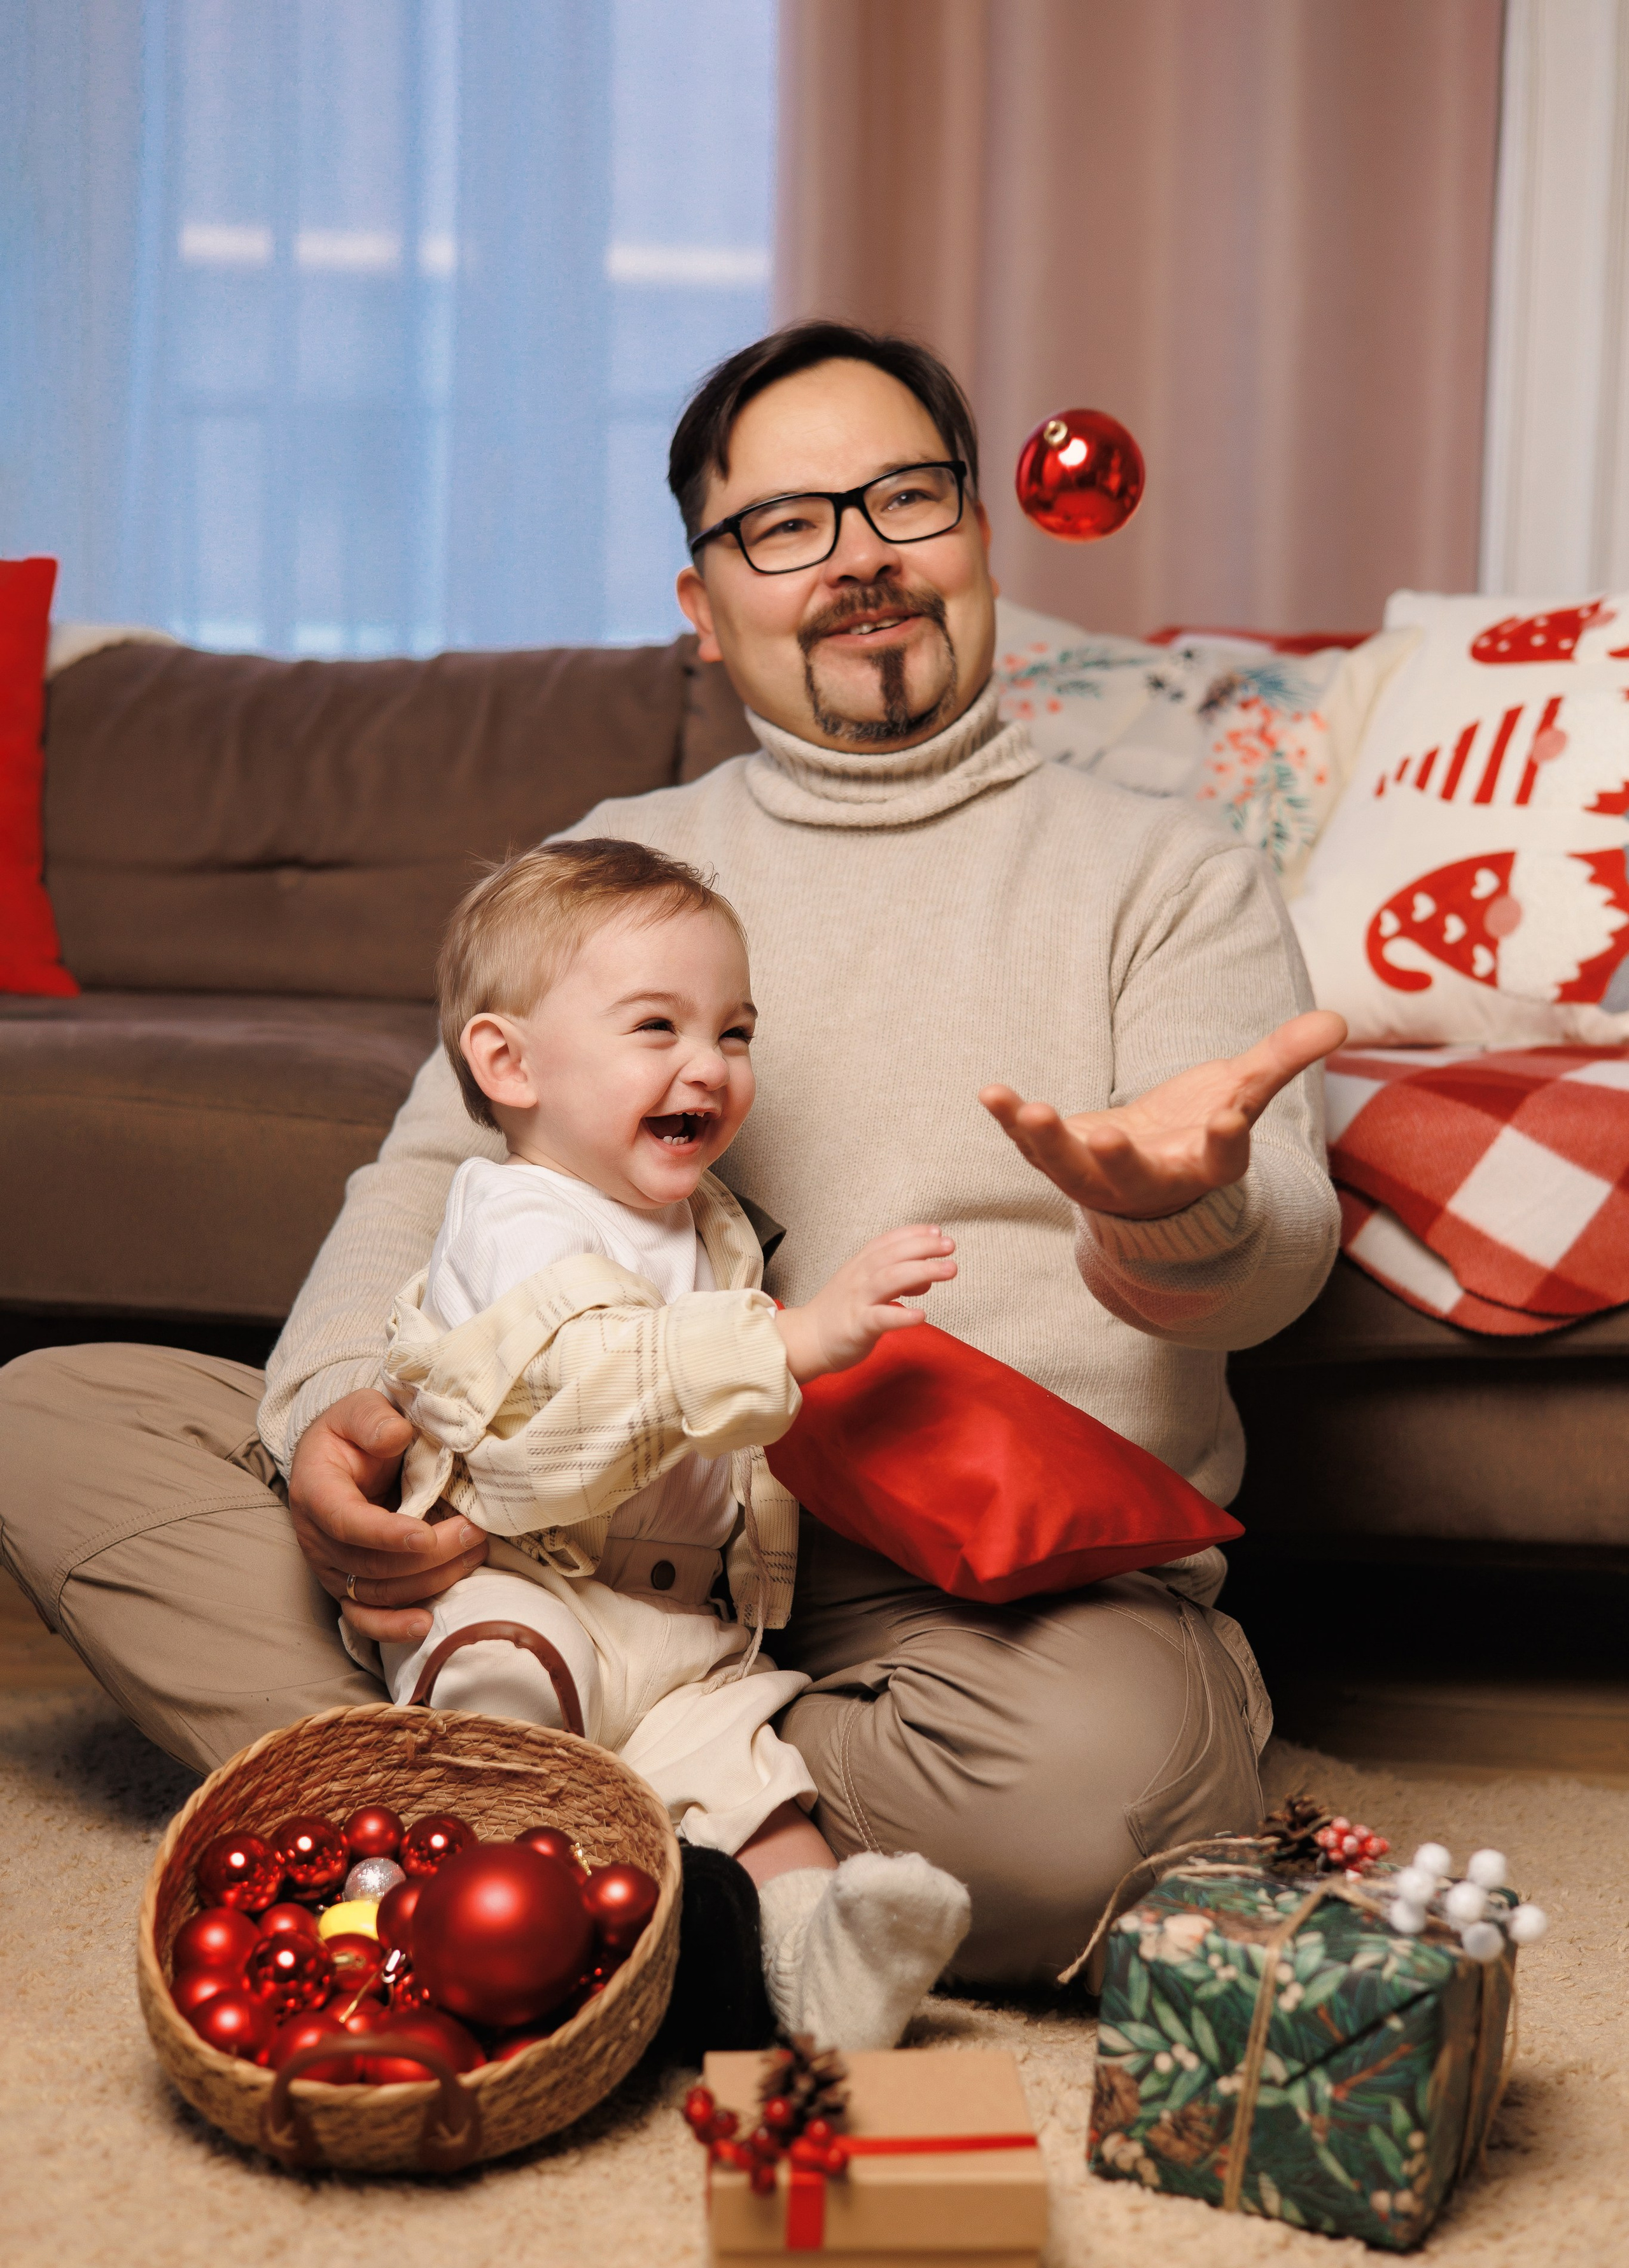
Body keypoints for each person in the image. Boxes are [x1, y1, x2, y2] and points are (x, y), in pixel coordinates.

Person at [0, 319, 1345, 1992]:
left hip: (969, 1606)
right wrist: (337, 1426)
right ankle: (735, 1871)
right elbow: (423, 1189)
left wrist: (1180, 1210)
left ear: (980, 537)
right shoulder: (612, 873)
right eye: (787, 524)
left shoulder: (1168, 871)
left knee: (1088, 1823)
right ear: (704, 610)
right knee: (48, 1413)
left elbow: (1278, 1254)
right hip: (559, 1535)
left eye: (906, 498)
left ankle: (496, 1828)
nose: (860, 557)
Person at [377, 831, 970, 2046]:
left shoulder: (710, 1229)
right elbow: (572, 1409)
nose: (710, 1064)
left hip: (687, 1631)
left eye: (735, 1032)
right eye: (659, 1028)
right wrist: (791, 1344)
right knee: (500, 1686)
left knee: (764, 1794)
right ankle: (421, 1915)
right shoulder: (514, 1218)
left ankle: (825, 1965)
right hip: (531, 1584)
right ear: (510, 1062)